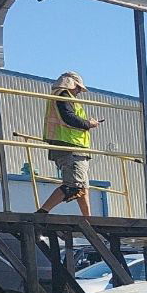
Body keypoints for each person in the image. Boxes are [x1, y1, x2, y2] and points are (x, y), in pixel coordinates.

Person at [36, 71, 101, 217]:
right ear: (71, 84)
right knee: (74, 186)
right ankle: (42, 213)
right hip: (70, 147)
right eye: (78, 88)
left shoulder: (64, 97)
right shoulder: (63, 96)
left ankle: (88, 220)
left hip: (75, 147)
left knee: (82, 186)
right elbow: (69, 118)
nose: (79, 91)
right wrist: (89, 123)